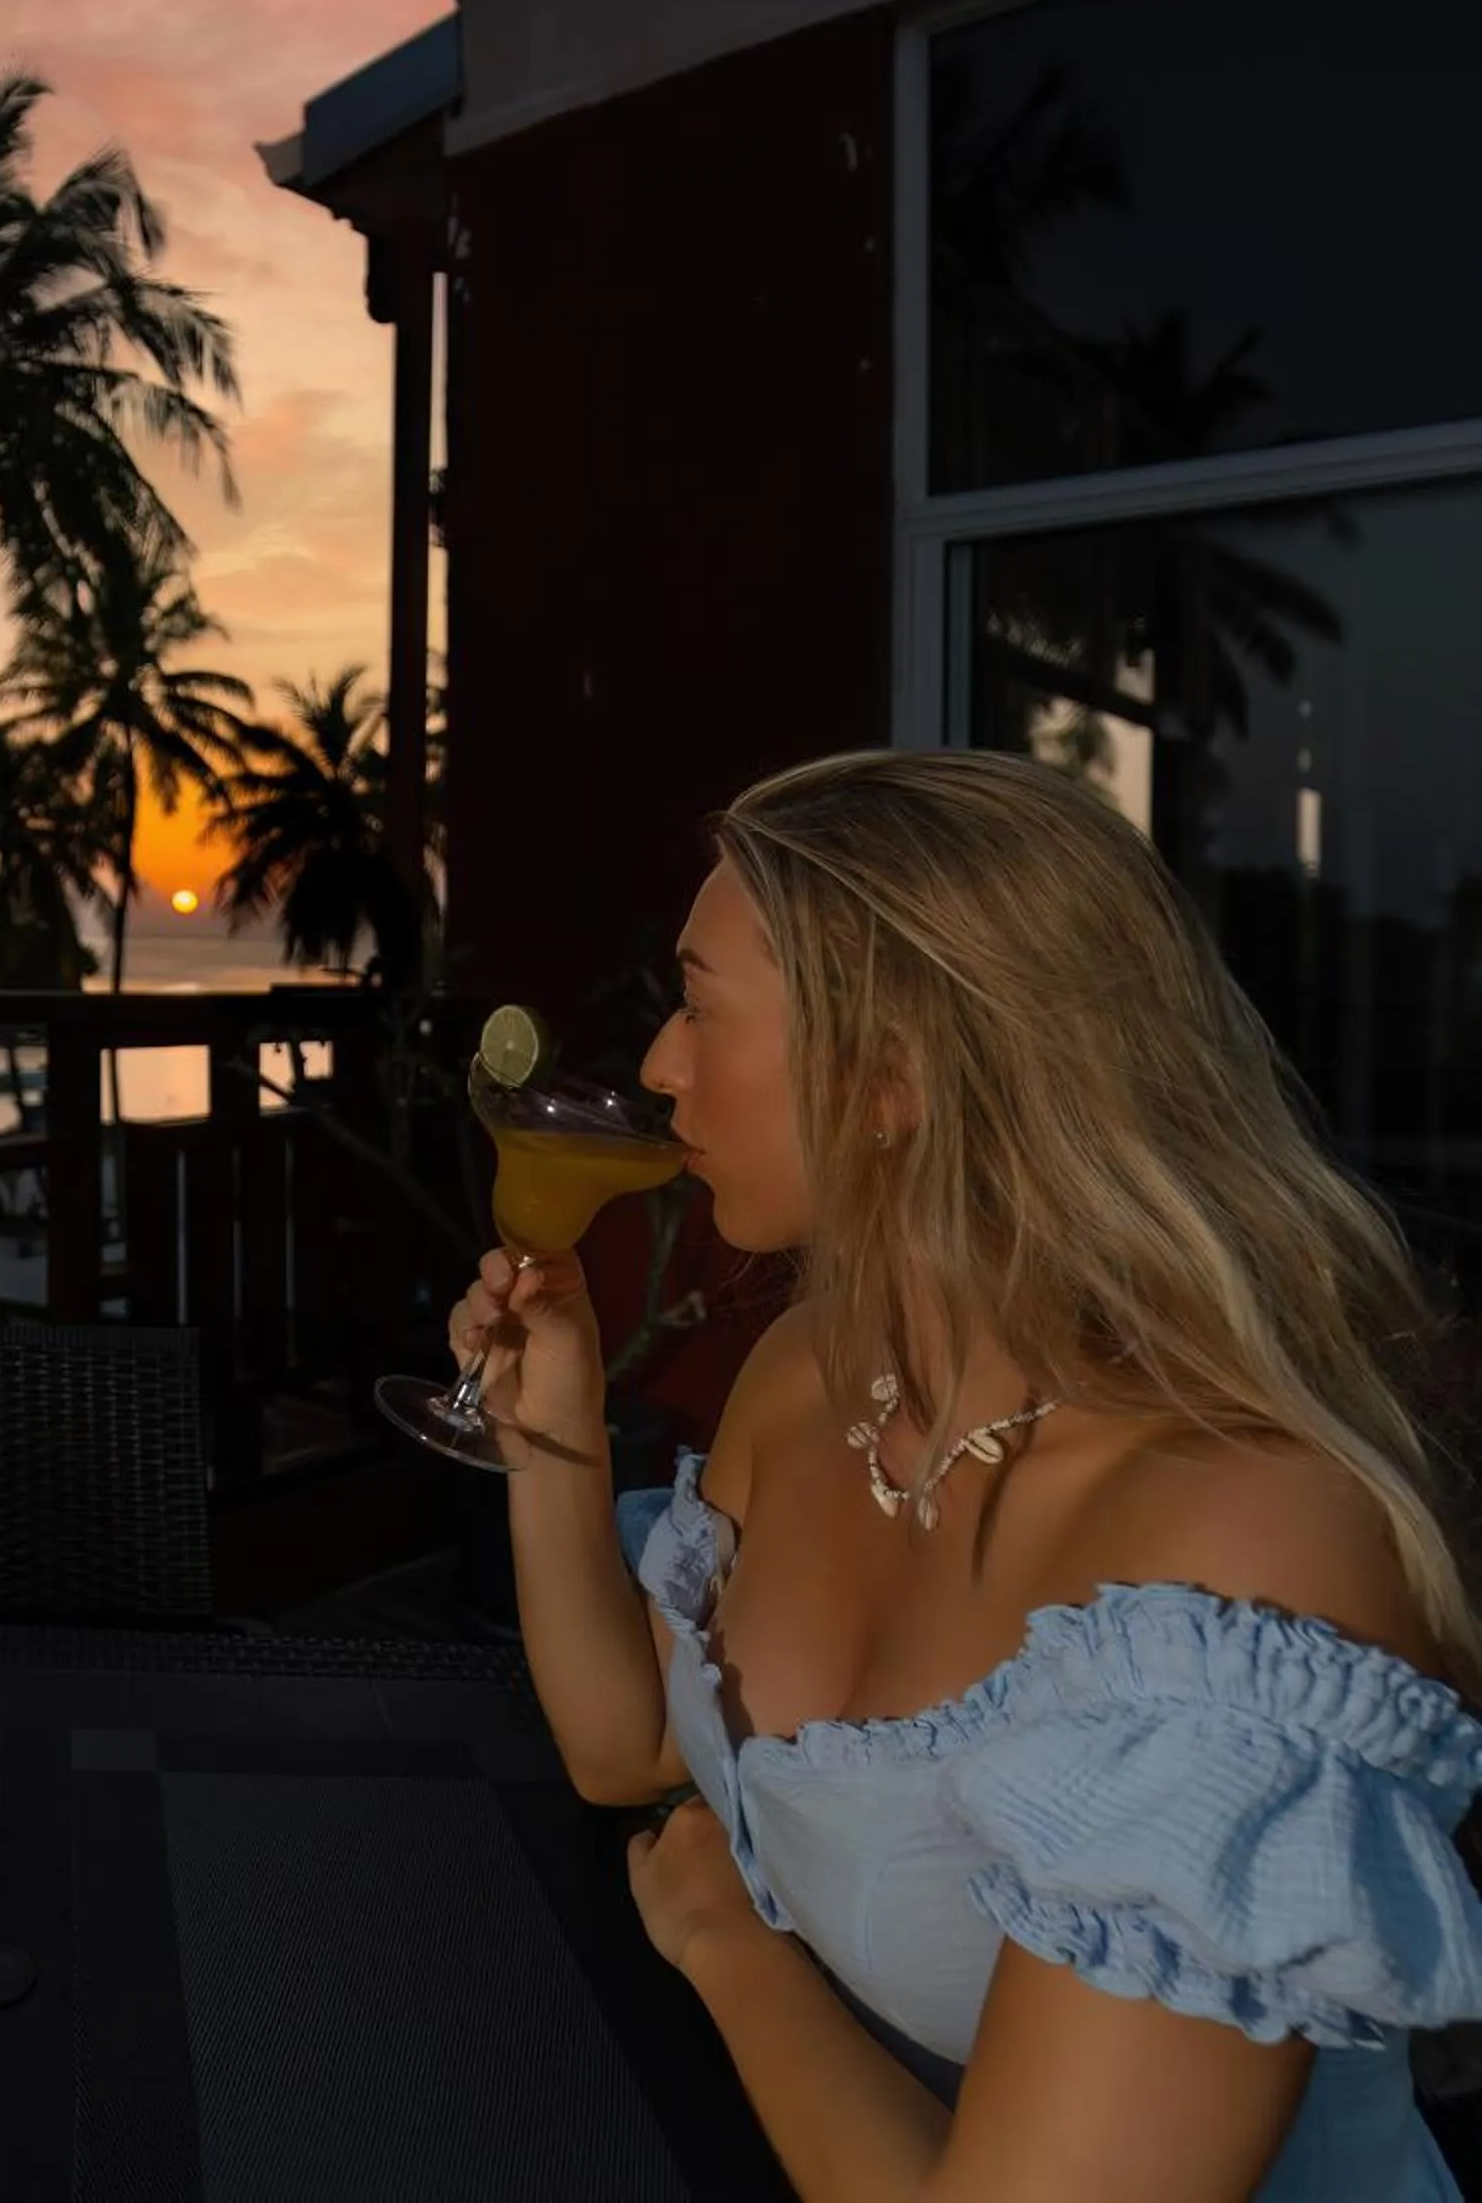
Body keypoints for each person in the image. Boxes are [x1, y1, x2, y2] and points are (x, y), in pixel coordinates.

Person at [450, 748, 1482, 2202]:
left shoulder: (1244, 1559)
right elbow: (634, 1749)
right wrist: (546, 1434)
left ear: (893, 1082)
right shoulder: (818, 1369)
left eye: (699, 1005)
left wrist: (734, 1957)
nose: (662, 1066)